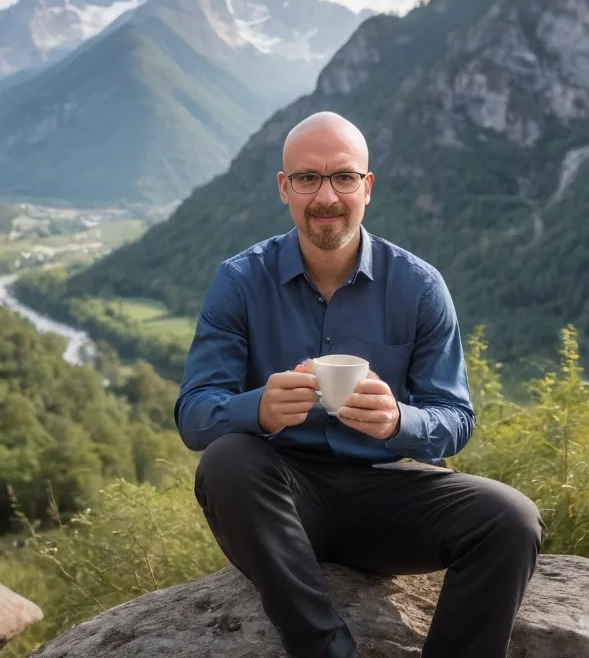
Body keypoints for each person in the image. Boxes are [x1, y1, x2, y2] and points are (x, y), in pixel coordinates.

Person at [175, 111, 543, 658]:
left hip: (387, 496)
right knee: (227, 461)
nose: (327, 195)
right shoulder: (240, 281)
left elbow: (455, 417)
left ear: (366, 187)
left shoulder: (418, 286)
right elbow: (195, 413)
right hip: (280, 504)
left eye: (343, 177)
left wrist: (400, 420)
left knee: (511, 519)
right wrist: (261, 409)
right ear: (285, 188)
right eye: (308, 178)